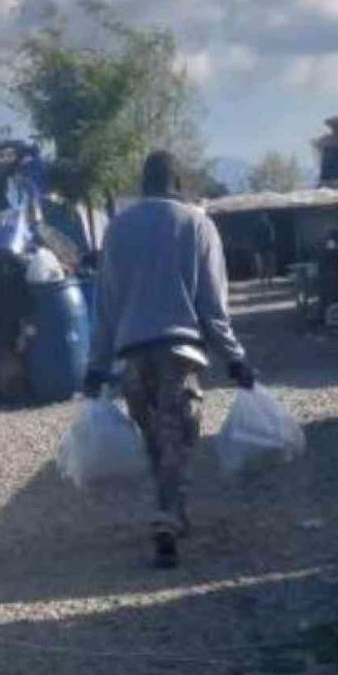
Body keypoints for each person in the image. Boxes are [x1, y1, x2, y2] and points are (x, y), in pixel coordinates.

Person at [83, 151, 257, 569]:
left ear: (143, 183)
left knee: (156, 440)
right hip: (179, 354)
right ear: (178, 181)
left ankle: (173, 510)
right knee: (179, 437)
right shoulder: (197, 224)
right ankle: (167, 516)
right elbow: (213, 305)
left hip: (132, 356)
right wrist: (235, 358)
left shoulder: (118, 229)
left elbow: (105, 304)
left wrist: (96, 365)